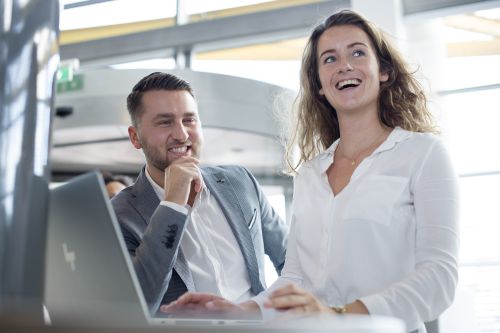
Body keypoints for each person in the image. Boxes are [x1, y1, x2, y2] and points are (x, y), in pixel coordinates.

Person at [163, 10, 459, 333]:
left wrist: (342, 315)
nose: (344, 65)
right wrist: (241, 309)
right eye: (329, 59)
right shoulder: (311, 174)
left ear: (384, 71)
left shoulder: (423, 155)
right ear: (319, 86)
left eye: (357, 53)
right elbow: (296, 280)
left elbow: (440, 277)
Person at [110, 72, 288, 316]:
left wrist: (267, 312)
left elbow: (291, 262)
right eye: (165, 122)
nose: (182, 134)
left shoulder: (241, 182)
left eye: (189, 120)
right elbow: (140, 304)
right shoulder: (119, 215)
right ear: (135, 137)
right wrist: (172, 205)